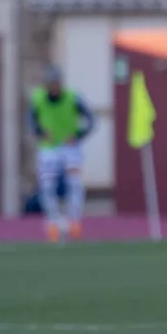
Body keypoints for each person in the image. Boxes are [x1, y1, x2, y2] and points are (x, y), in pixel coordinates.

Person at [29, 65, 94, 242]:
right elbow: (31, 121)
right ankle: (53, 223)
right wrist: (40, 133)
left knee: (75, 184)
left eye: (56, 82)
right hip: (48, 149)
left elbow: (91, 119)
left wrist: (78, 135)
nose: (54, 86)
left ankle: (74, 222)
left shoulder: (73, 98)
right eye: (50, 83)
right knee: (47, 186)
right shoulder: (38, 99)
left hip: (70, 148)